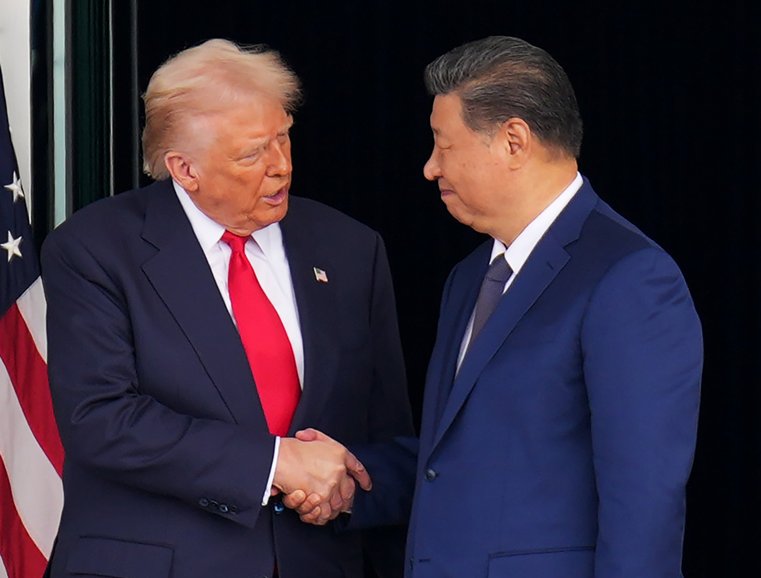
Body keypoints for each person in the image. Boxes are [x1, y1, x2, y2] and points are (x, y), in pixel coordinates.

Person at [291, 35, 703, 578]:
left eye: (444, 144)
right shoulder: (469, 278)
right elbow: (467, 456)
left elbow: (644, 501)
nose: (430, 168)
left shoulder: (628, 277)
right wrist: (355, 479)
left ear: (513, 141)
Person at [40, 39, 413, 578]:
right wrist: (274, 464)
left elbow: (386, 430)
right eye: (252, 153)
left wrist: (348, 491)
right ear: (183, 168)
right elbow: (100, 418)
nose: (281, 166)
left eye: (284, 137)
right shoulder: (95, 248)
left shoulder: (350, 248)